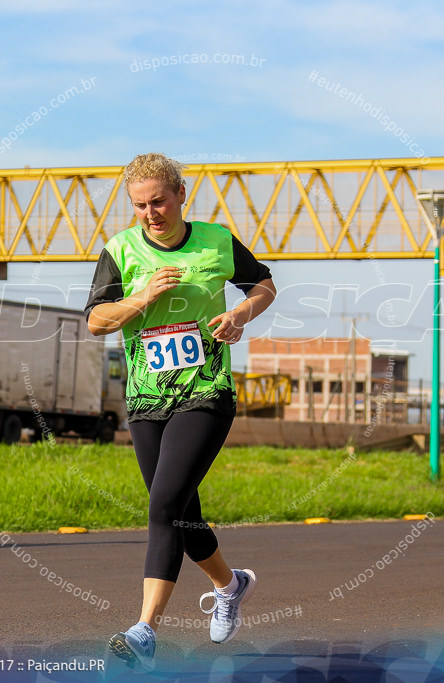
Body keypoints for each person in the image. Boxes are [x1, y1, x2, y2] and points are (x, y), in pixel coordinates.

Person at [86, 153, 277, 671]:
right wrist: (141, 298)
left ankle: (144, 630)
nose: (151, 212)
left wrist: (240, 312)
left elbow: (264, 285)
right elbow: (97, 321)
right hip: (148, 399)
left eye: (159, 201)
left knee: (164, 504)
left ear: (180, 195)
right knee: (180, 512)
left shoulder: (215, 241)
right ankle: (229, 584)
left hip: (205, 392)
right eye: (140, 205)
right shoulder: (120, 251)